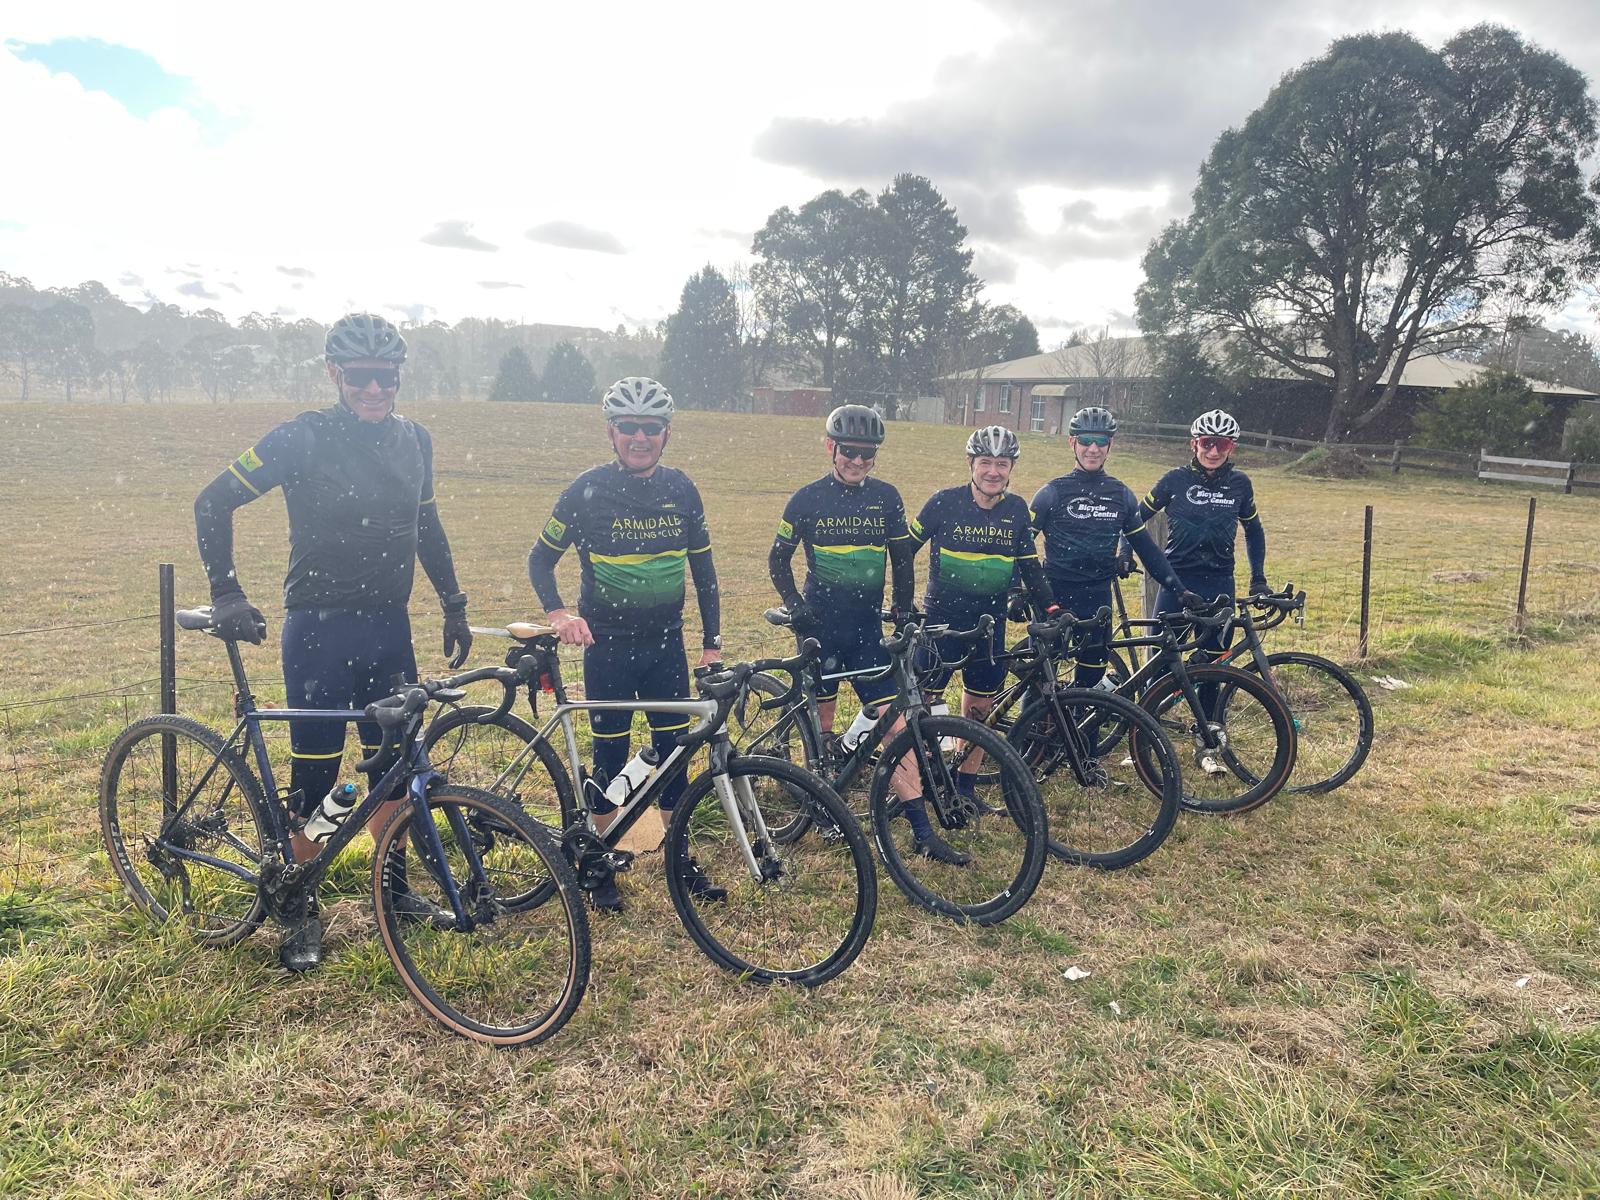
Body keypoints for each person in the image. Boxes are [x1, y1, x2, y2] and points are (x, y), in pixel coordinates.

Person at [194, 312, 473, 971]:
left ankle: (394, 889)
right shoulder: (303, 436)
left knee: (395, 768)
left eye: (387, 378)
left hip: (389, 627)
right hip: (318, 629)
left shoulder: (416, 441)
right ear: (334, 375)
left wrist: (453, 601)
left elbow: (425, 524)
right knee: (316, 778)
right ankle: (297, 905)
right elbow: (212, 501)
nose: (375, 390)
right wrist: (226, 589)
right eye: (361, 378)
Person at [527, 377, 723, 913]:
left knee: (675, 756)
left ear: (666, 433)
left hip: (666, 646)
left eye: (651, 429)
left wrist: (711, 643)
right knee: (610, 754)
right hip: (607, 646)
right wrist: (560, 612)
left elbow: (703, 572)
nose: (641, 438)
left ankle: (678, 856)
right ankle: (601, 856)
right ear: (612, 432)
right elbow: (539, 559)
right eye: (630, 428)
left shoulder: (682, 489)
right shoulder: (586, 489)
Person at [770, 405, 968, 862]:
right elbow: (778, 560)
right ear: (830, 448)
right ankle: (817, 802)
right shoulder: (806, 498)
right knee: (820, 729)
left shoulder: (886, 497)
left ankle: (922, 832)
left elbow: (902, 559)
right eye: (849, 452)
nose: (858, 462)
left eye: (867, 454)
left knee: (896, 727)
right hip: (819, 629)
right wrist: (798, 610)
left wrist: (903, 611)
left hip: (863, 630)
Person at [907, 425, 1058, 800]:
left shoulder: (1017, 509)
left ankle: (964, 786)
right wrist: (901, 601)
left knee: (980, 707)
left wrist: (1052, 607)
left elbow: (1030, 566)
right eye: (986, 462)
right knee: (923, 703)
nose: (993, 471)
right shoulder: (943, 502)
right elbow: (901, 552)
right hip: (942, 620)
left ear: (1011, 468)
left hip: (990, 622)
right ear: (971, 463)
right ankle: (921, 780)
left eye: (1002, 464)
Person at [1030, 406, 1198, 688]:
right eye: (1085, 441)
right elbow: (1021, 548)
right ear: (1072, 442)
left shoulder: (1120, 495)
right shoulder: (1051, 492)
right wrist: (1020, 589)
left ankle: (1083, 733)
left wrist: (1179, 590)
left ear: (1110, 445)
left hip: (1097, 599)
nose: (1093, 449)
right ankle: (1029, 732)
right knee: (1042, 684)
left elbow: (1147, 550)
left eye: (1100, 441)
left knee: (1090, 685)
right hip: (1055, 598)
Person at [1139, 408, 1268, 617]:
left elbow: (1254, 530)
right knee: (1162, 648)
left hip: (1220, 581)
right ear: (1194, 444)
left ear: (1231, 448)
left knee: (1218, 651)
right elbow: (1133, 520)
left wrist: (1258, 579)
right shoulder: (1174, 480)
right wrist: (1125, 553)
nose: (1214, 452)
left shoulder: (1240, 484)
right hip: (1176, 581)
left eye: (1222, 444)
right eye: (1207, 443)